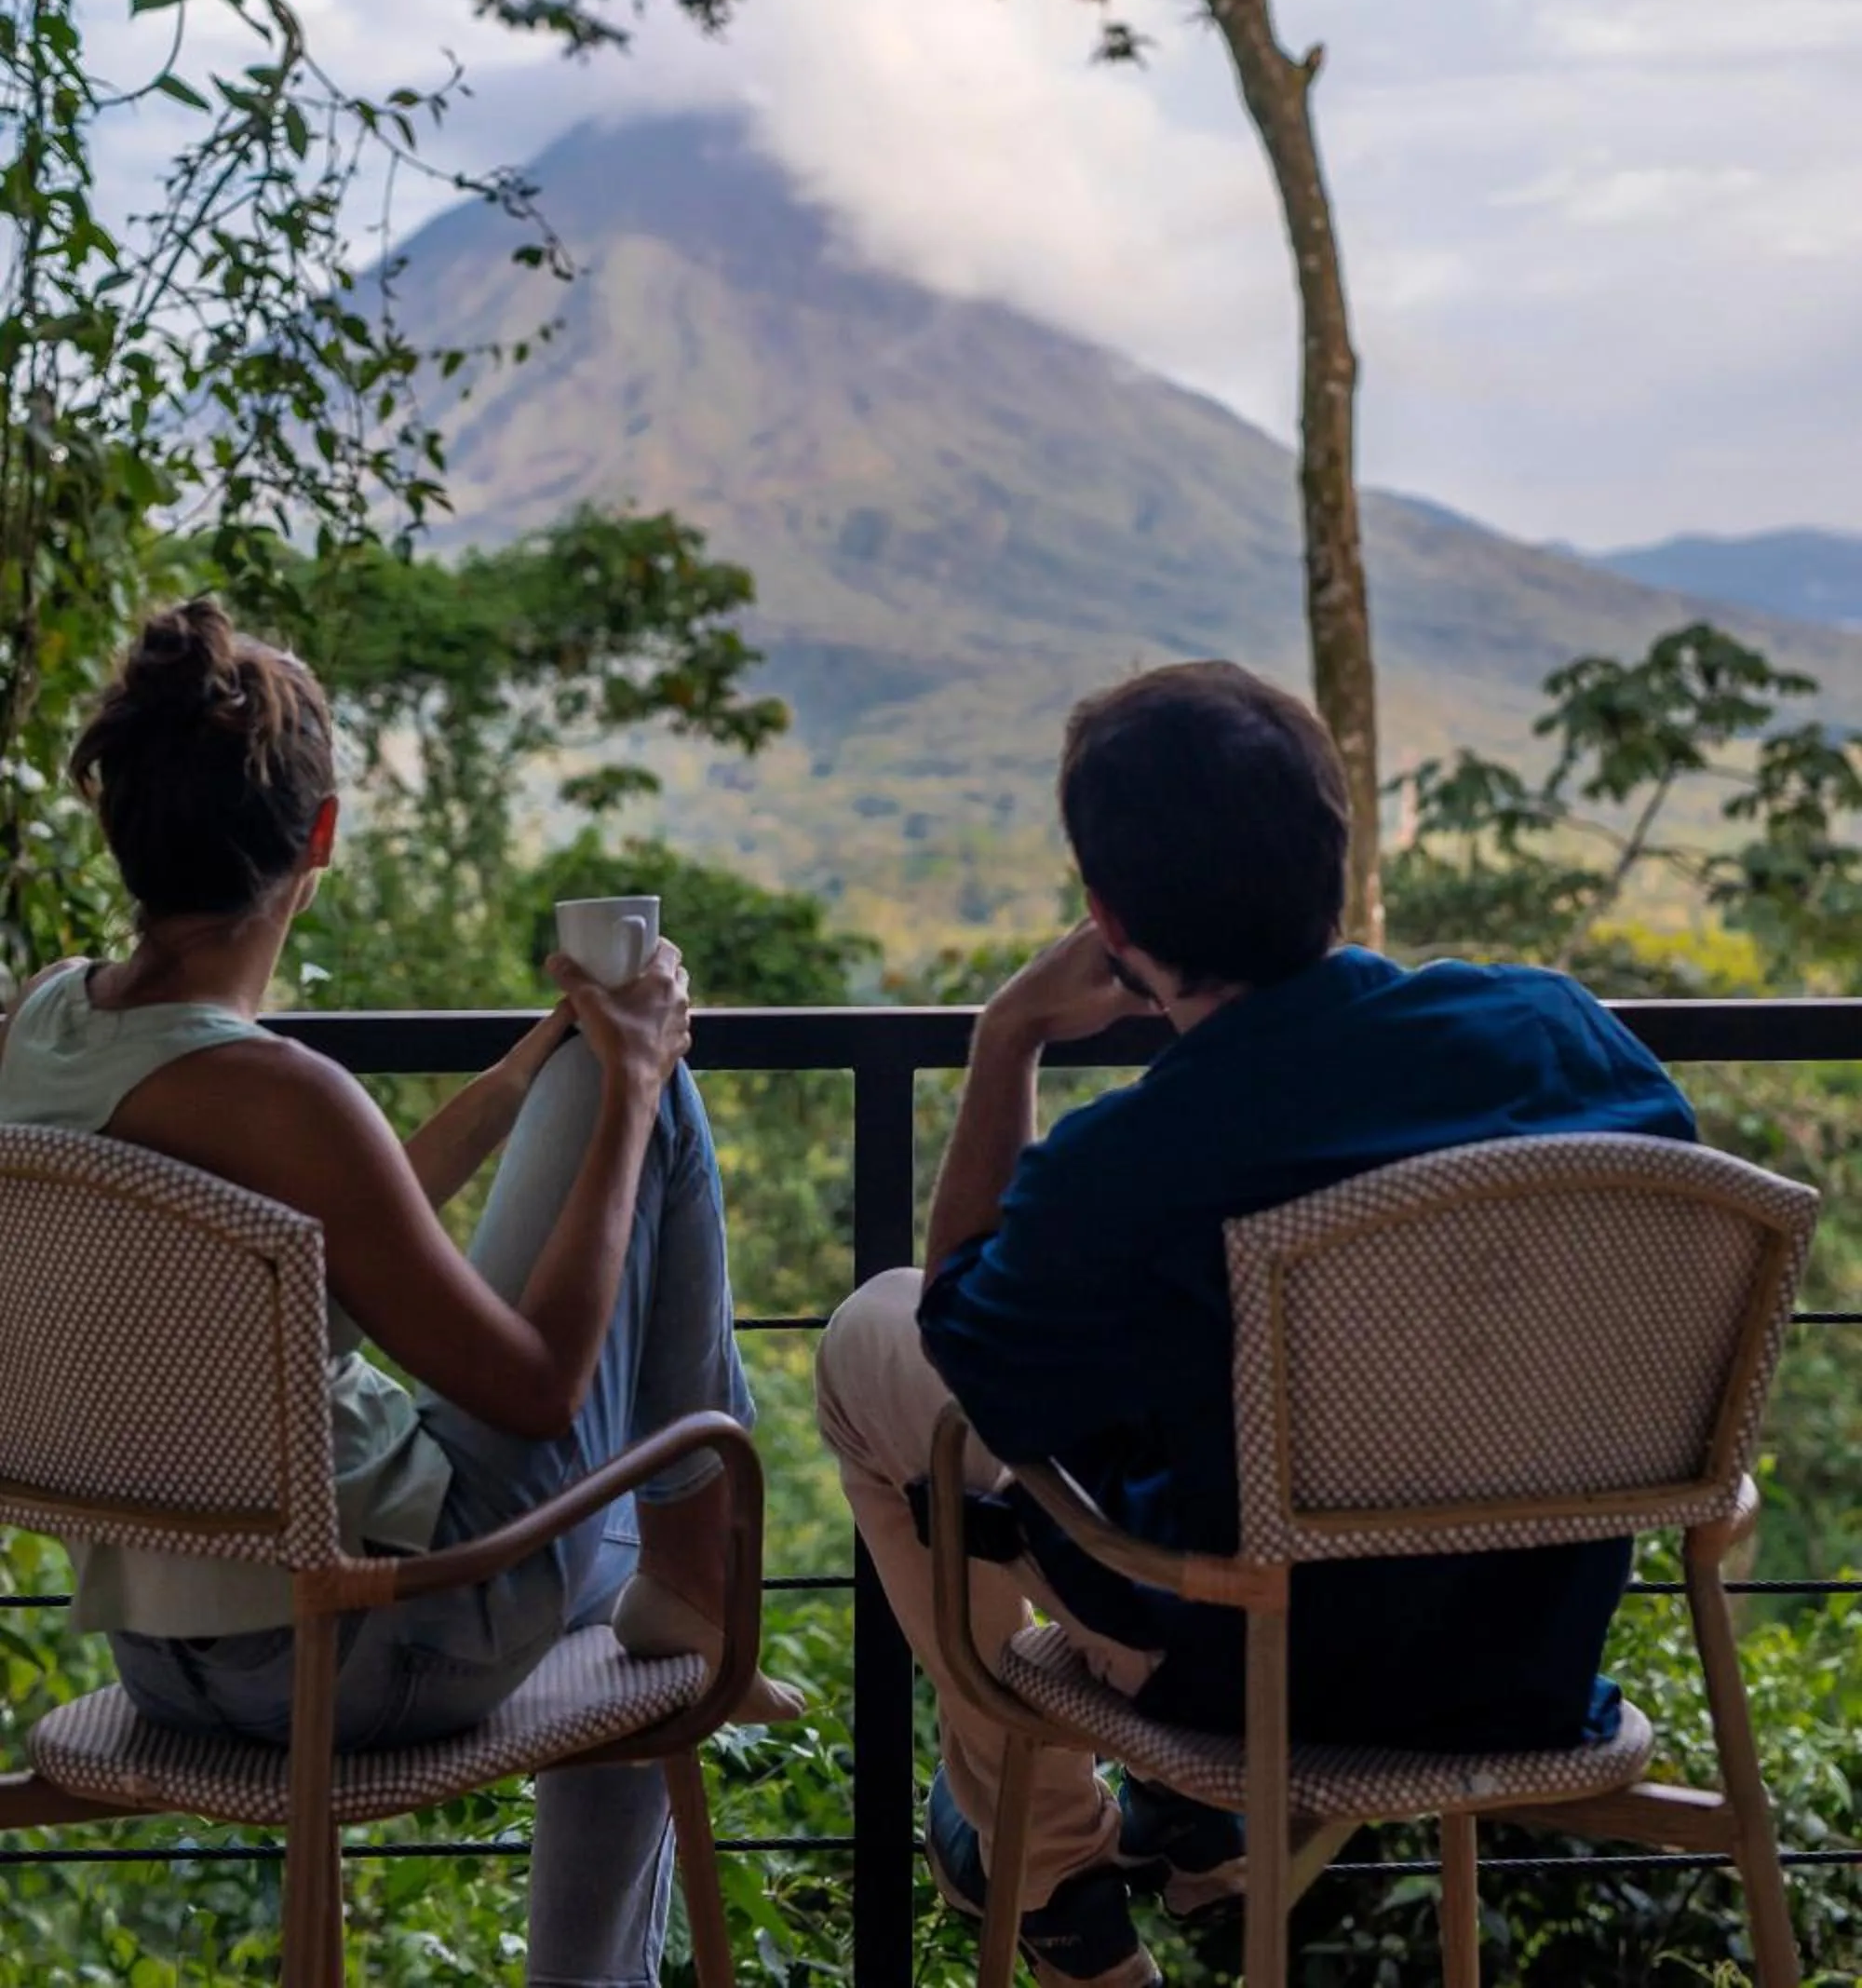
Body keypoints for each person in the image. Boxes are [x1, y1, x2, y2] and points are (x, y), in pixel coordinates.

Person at [816, 659, 1696, 1988]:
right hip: (1525, 1649)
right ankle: (1163, 1833)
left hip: (1254, 1673)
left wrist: (1007, 1042)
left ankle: (1043, 1855)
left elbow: (974, 1358)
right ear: (1332, 847)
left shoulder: (1130, 1159)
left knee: (872, 1345)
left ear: (1109, 918)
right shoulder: (1560, 1032)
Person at [0, 597, 799, 1988]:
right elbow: (541, 1386)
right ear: (319, 841)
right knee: (627, 1620)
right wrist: (624, 1092)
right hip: (373, 1651)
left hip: (160, 1653)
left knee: (612, 1087)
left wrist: (527, 1077)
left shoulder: (37, 1026)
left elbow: (322, 1241)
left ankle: (677, 1591)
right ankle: (691, 1581)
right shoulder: (288, 1098)